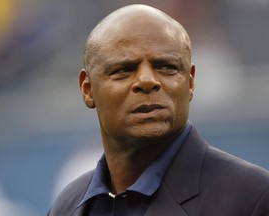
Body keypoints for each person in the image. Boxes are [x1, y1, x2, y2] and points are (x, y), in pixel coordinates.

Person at [48, 4, 269, 216]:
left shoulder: (252, 197)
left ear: (190, 82)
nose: (147, 81)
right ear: (87, 89)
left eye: (166, 67)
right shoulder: (68, 206)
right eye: (124, 69)